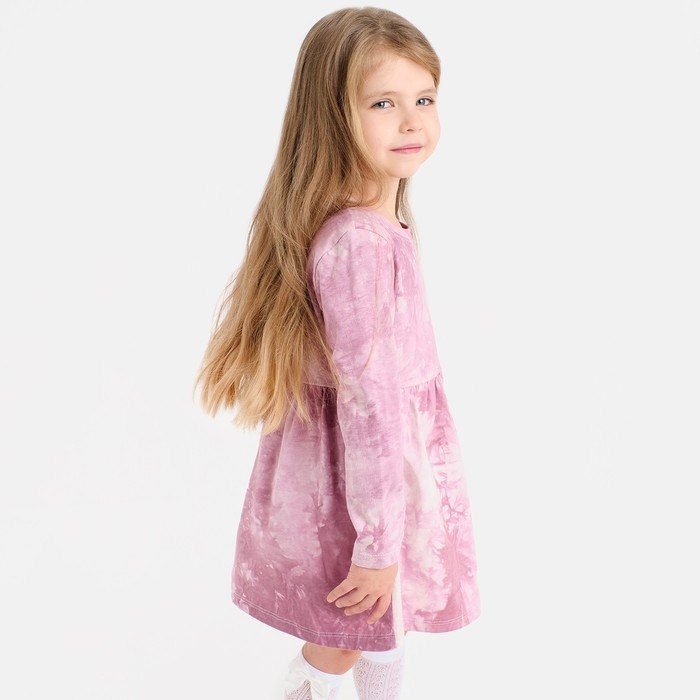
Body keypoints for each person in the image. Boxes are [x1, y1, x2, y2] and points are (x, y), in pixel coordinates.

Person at [195, 6, 480, 699]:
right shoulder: (359, 242)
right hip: (360, 489)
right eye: (383, 103)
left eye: (424, 99)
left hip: (373, 483)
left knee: (378, 624)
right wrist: (377, 543)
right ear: (332, 115)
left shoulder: (376, 225)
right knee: (357, 626)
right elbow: (370, 405)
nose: (411, 121)